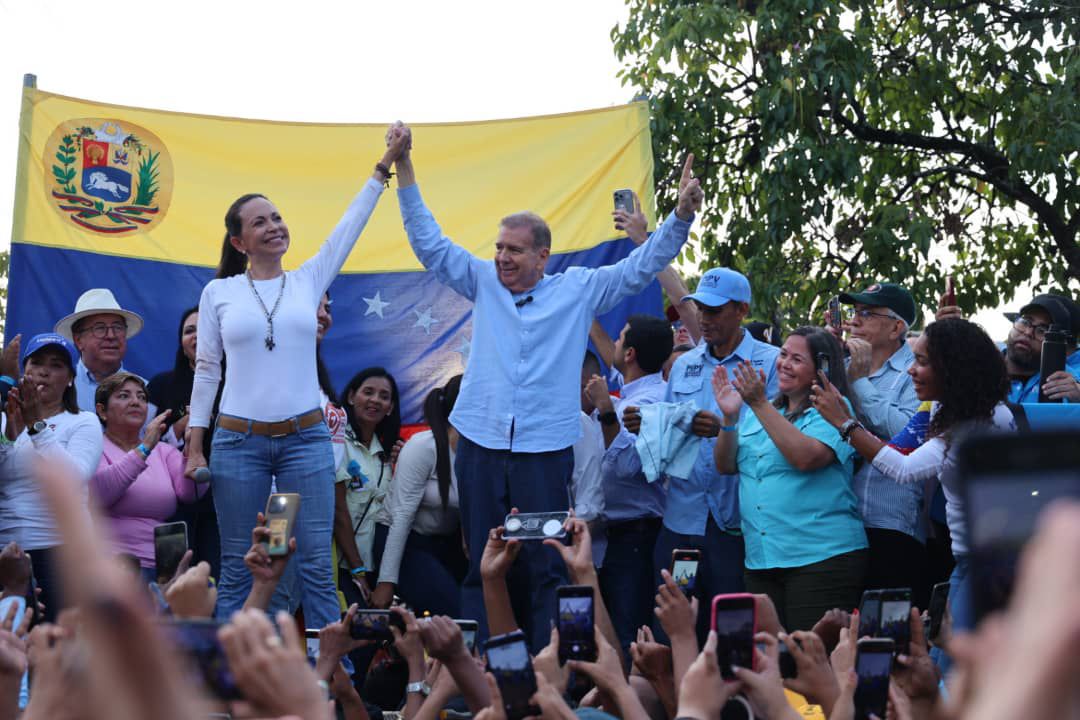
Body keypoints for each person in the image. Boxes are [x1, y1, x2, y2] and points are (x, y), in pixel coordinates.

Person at [390, 122, 700, 650]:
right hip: (482, 445)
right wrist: (405, 168)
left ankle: (550, 674)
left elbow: (642, 266)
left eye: (515, 250)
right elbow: (430, 244)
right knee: (483, 564)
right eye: (499, 248)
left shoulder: (578, 289)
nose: (502, 258)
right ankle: (484, 676)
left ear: (542, 256)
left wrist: (680, 219)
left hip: (543, 451)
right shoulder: (482, 281)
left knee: (545, 566)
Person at [184, 128, 409, 627]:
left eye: (278, 217)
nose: (273, 227)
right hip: (238, 445)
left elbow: (349, 227)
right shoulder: (219, 293)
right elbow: (207, 370)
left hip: (304, 444)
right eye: (259, 222)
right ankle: (231, 681)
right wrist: (195, 444)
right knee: (244, 567)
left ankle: (331, 686)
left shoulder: (308, 280)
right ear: (239, 241)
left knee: (312, 565)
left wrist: (384, 167)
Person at [811, 317, 1015, 635]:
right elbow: (899, 451)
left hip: (988, 568)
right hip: (967, 562)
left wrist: (845, 424)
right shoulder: (940, 408)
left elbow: (903, 470)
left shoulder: (982, 421)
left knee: (947, 667)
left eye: (921, 361)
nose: (910, 370)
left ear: (951, 369)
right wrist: (847, 418)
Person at [636, 267, 780, 641]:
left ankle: (730, 701)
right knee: (674, 625)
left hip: (736, 527)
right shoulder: (684, 364)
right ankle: (676, 700)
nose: (704, 317)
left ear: (742, 310)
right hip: (682, 524)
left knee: (732, 634)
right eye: (700, 308)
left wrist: (724, 430)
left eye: (715, 310)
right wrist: (650, 425)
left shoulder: (770, 364)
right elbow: (667, 438)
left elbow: (780, 439)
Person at [712, 327, 868, 631]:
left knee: (811, 662)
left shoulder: (835, 409)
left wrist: (758, 404)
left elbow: (805, 458)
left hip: (821, 559)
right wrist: (730, 420)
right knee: (770, 664)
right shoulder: (769, 409)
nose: (784, 363)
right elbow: (725, 465)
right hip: (761, 560)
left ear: (820, 369)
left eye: (797, 359)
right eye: (783, 354)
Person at [584, 314, 673, 659]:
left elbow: (626, 467)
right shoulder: (632, 385)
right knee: (605, 631)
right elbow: (611, 353)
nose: (615, 345)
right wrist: (587, 316)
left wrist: (607, 410)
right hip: (610, 537)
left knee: (627, 633)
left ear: (632, 353)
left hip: (636, 537)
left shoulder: (650, 401)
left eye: (621, 340)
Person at [833, 282, 924, 603]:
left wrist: (858, 382)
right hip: (833, 526)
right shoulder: (841, 366)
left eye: (867, 314)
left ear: (897, 327)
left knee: (881, 638)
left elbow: (905, 432)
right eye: (854, 312)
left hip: (887, 523)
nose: (854, 321)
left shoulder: (917, 371)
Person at [0, 333, 102, 619]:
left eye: (56, 365)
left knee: (54, 649)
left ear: (71, 378)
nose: (44, 371)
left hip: (61, 553)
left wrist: (36, 426)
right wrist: (9, 434)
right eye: (36, 363)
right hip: (6, 551)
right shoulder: (6, 418)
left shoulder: (83, 421)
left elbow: (73, 478)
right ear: (24, 372)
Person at [91, 372, 208, 582]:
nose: (136, 402)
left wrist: (192, 445)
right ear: (102, 410)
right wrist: (144, 448)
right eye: (124, 396)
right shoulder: (93, 447)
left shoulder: (163, 451)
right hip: (111, 567)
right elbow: (101, 494)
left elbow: (190, 493)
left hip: (165, 568)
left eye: (142, 397)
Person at [369, 375, 466, 616]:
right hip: (404, 542)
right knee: (455, 611)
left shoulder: (480, 452)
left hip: (445, 545)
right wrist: (386, 583)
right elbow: (401, 517)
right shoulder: (423, 447)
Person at [147, 306, 222, 579]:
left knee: (217, 579)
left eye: (205, 329)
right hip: (171, 504)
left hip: (223, 501)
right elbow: (142, 443)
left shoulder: (238, 384)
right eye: (190, 330)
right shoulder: (159, 385)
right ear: (180, 340)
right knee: (173, 582)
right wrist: (181, 427)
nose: (197, 336)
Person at [334, 366, 402, 606]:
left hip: (376, 569)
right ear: (352, 397)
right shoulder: (337, 442)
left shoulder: (386, 454)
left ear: (391, 407)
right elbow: (339, 511)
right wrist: (357, 571)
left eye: (384, 396)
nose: (375, 400)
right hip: (342, 567)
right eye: (368, 392)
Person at [54, 288, 151, 416]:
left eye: (117, 327)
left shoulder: (145, 391)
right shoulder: (58, 388)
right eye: (100, 328)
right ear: (78, 340)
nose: (111, 335)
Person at [1003, 293, 1080, 402]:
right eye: (1025, 322)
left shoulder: (1067, 381)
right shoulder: (980, 362)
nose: (1028, 332)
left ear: (1058, 345)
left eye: (1042, 330)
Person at [315, 292, 349, 469]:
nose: (323, 315)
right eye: (314, 305)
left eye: (327, 309)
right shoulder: (271, 371)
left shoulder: (319, 376)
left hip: (322, 491)